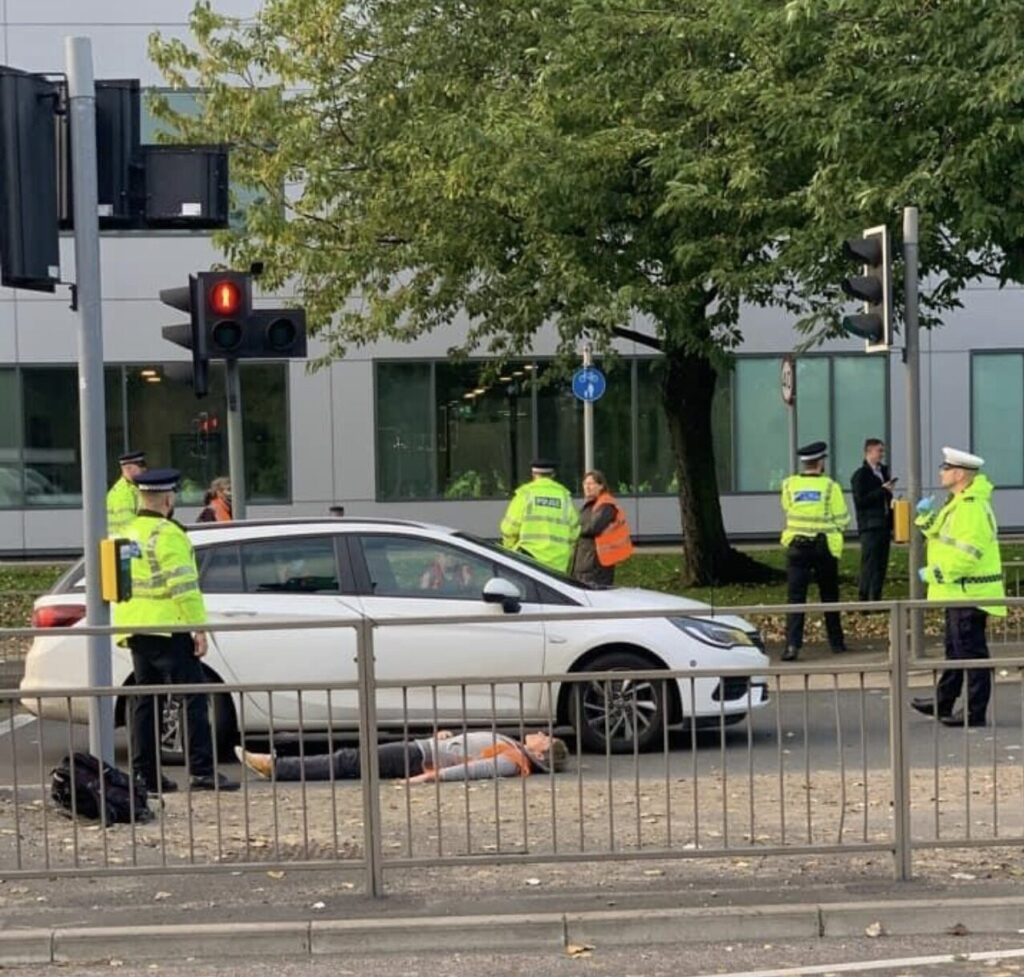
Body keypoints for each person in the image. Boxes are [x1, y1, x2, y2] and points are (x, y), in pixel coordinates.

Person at [112, 468, 239, 794]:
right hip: (168, 628)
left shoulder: (126, 532)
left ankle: (146, 776)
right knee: (193, 697)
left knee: (146, 701)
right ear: (168, 499)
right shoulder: (167, 534)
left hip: (135, 627)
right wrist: (199, 628)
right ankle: (201, 772)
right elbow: (184, 587)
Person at [911, 447, 1005, 728]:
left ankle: (974, 712)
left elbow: (968, 554)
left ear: (960, 474)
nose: (941, 471)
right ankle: (944, 702)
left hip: (970, 593)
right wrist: (923, 516)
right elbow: (938, 533)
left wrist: (935, 573)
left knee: (972, 655)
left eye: (945, 467)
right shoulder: (958, 502)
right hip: (959, 592)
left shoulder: (971, 507)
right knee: (955, 651)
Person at [235, 729, 569, 783]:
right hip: (423, 750)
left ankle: (277, 766)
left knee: (348, 761)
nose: (541, 732)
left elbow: (476, 769)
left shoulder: (515, 759)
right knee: (350, 760)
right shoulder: (513, 748)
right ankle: (278, 764)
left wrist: (427, 777)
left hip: (418, 758)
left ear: (541, 751)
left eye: (545, 737)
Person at [780, 441, 850, 662]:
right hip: (823, 548)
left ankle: (792, 645)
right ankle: (836, 643)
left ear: (804, 463)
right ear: (820, 463)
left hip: (797, 548)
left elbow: (786, 508)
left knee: (795, 598)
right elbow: (842, 519)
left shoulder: (789, 485)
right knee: (829, 596)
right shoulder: (830, 487)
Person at [499, 459, 580, 573]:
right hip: (558, 564)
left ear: (533, 474)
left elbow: (509, 528)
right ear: (553, 475)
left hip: (529, 560)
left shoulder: (526, 494)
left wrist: (511, 549)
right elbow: (574, 532)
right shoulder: (564, 497)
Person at [850, 438, 896, 601]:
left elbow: (886, 497)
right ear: (868, 452)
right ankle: (863, 598)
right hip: (869, 526)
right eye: (879, 451)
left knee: (881, 564)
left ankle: (876, 597)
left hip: (884, 524)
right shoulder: (861, 475)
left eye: (882, 451)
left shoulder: (883, 472)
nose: (881, 455)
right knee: (869, 563)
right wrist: (882, 491)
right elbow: (861, 501)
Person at [570, 469, 634, 586]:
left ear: (601, 486)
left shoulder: (606, 505)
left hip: (596, 567)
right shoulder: (591, 505)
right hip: (587, 563)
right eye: (585, 484)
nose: (587, 487)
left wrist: (573, 529)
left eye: (591, 484)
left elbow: (592, 527)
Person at [106, 450, 146, 535]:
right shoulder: (123, 493)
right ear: (128, 468)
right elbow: (128, 526)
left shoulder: (132, 488)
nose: (144, 469)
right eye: (140, 466)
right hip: (124, 543)